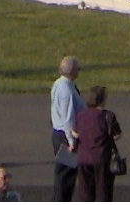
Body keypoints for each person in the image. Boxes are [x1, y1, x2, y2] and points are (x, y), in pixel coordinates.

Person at [70, 84, 121, 202]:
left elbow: (75, 133)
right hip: (102, 158)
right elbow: (117, 135)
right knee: (103, 192)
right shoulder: (108, 116)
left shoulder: (81, 115)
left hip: (83, 159)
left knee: (85, 192)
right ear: (102, 99)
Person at [49, 56, 84, 201]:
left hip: (60, 133)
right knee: (66, 175)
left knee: (64, 174)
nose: (79, 71)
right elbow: (68, 117)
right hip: (65, 136)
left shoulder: (59, 84)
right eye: (77, 68)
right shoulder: (66, 91)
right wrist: (71, 142)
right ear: (72, 70)